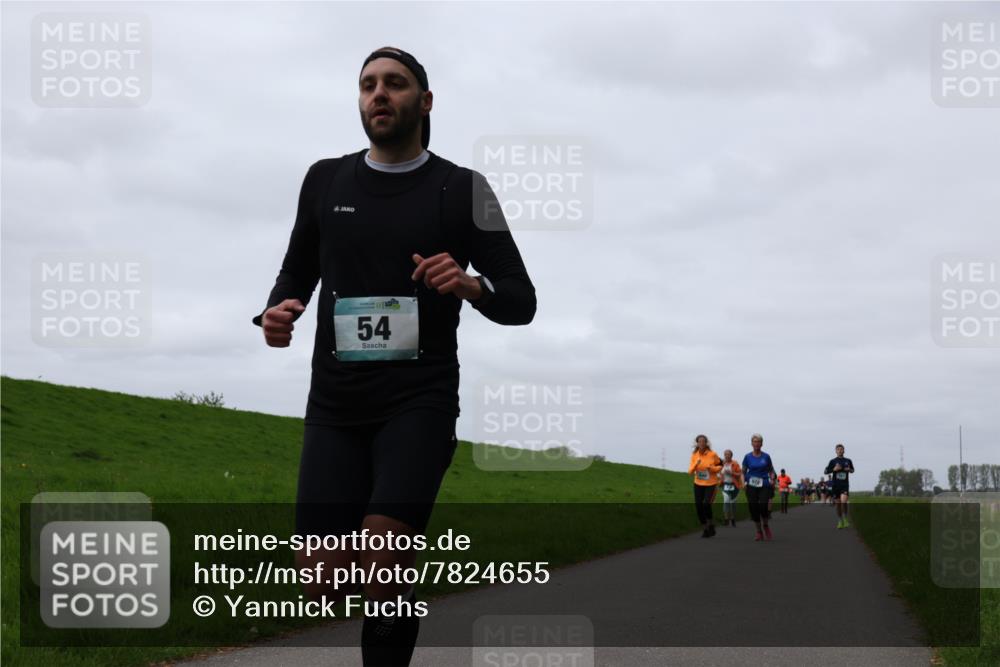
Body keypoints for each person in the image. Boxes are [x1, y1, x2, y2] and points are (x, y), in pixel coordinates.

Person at [254, 47, 536, 666]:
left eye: (395, 84)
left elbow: (521, 299)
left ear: (424, 101)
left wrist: (471, 284)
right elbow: (297, 270)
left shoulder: (464, 188)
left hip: (420, 400)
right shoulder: (324, 179)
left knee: (384, 560)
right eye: (368, 85)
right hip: (335, 401)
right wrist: (277, 311)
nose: (379, 94)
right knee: (321, 579)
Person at [741, 433, 776, 541]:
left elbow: (771, 470)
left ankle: (765, 525)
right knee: (753, 508)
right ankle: (759, 531)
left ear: (762, 444)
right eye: (755, 442)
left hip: (764, 484)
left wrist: (773, 479)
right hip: (751, 485)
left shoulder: (766, 456)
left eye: (758, 442)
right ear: (752, 443)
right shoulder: (747, 457)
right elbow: (743, 472)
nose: (756, 444)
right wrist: (743, 483)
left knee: (763, 506)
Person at [688, 435, 723, 537]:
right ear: (697, 443)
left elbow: (721, 465)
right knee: (699, 506)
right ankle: (705, 528)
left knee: (706, 504)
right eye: (700, 442)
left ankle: (710, 524)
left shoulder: (713, 454)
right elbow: (690, 471)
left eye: (703, 442)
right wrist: (696, 464)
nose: (702, 443)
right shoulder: (694, 455)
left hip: (711, 483)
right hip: (698, 483)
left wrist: (712, 469)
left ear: (706, 443)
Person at [824, 443, 855, 529]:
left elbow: (853, 470)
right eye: (838, 449)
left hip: (844, 485)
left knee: (844, 501)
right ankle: (840, 520)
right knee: (838, 504)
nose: (840, 451)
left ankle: (845, 519)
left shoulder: (848, 460)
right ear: (836, 451)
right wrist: (834, 469)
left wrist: (849, 470)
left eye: (841, 449)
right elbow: (826, 471)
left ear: (844, 450)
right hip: (835, 485)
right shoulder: (832, 461)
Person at [720, 449, 743, 526]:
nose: (727, 456)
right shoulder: (722, 463)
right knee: (726, 500)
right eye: (725, 454)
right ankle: (726, 519)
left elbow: (740, 474)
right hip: (725, 485)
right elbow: (719, 473)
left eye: (728, 454)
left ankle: (733, 518)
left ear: (731, 455)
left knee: (733, 503)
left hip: (734, 485)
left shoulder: (735, 463)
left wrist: (732, 473)